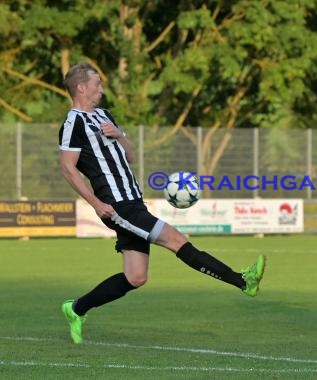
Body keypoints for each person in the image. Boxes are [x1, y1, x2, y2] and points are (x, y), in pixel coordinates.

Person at [58, 61, 266, 344]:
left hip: (133, 201)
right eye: (97, 84)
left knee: (136, 277)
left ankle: (76, 308)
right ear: (81, 87)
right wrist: (95, 203)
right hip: (116, 205)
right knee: (176, 239)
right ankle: (243, 280)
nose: (101, 89)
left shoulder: (104, 115)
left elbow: (130, 155)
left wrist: (119, 135)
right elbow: (68, 169)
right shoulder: (73, 123)